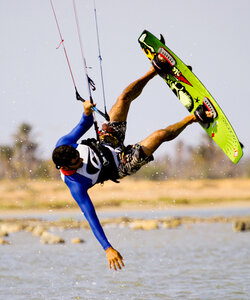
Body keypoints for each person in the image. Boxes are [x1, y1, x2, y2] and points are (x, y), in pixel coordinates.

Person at [52, 56, 213, 271]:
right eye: (77, 161)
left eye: (78, 155)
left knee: (123, 98)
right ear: (69, 167)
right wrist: (107, 248)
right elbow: (91, 218)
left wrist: (87, 111)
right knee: (159, 135)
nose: (80, 159)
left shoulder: (64, 144)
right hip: (120, 165)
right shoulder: (76, 185)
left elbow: (85, 123)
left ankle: (156, 69)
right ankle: (195, 118)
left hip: (107, 141)